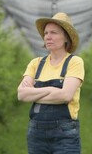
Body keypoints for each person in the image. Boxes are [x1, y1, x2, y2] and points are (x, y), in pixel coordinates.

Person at [17, 12, 85, 154]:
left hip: (65, 134)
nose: (48, 36)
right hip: (36, 134)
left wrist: (34, 93)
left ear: (66, 37)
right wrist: (53, 91)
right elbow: (22, 95)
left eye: (54, 32)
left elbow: (65, 96)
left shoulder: (74, 62)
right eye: (46, 33)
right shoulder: (36, 63)